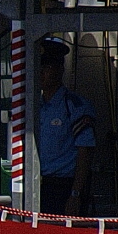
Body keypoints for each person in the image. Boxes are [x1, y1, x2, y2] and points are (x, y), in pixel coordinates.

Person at [35, 38, 98, 216]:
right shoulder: (33, 107)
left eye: (46, 67)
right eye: (38, 68)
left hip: (64, 186)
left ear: (60, 69)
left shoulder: (75, 106)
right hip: (38, 184)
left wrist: (75, 194)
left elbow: (85, 151)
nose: (41, 73)